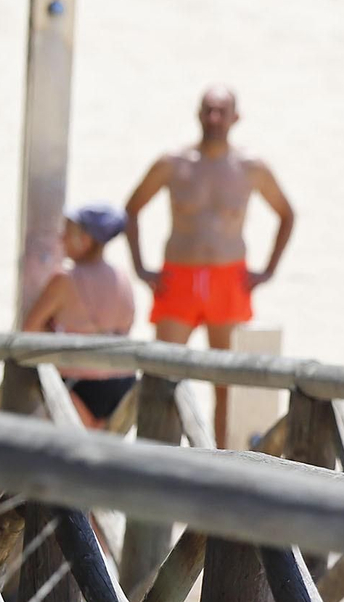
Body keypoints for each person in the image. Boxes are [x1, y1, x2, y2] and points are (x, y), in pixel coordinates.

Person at [125, 85, 295, 446]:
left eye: (222, 111)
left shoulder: (251, 167)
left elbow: (286, 214)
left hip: (228, 279)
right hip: (179, 277)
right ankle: (157, 456)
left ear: (236, 117)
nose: (214, 118)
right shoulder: (173, 163)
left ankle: (222, 460)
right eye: (208, 110)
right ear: (198, 114)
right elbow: (132, 209)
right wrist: (141, 268)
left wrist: (267, 271)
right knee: (164, 374)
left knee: (227, 379)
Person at [21, 204, 138, 429]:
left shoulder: (65, 279)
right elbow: (126, 324)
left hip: (79, 382)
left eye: (67, 233)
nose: (61, 239)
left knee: (69, 448)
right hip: (123, 382)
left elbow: (30, 330)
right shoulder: (122, 277)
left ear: (85, 240)